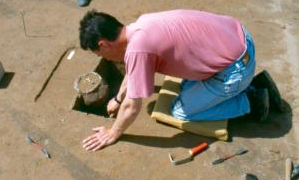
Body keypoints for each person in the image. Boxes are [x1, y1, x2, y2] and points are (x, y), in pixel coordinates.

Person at [78, 9, 283, 151]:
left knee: (180, 111)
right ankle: (251, 84)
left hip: (234, 68)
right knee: (184, 85)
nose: (103, 58)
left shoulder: (138, 49)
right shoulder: (141, 24)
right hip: (239, 38)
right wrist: (119, 98)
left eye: (99, 54)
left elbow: (133, 107)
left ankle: (251, 101)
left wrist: (113, 132)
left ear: (103, 44)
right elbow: (134, 71)